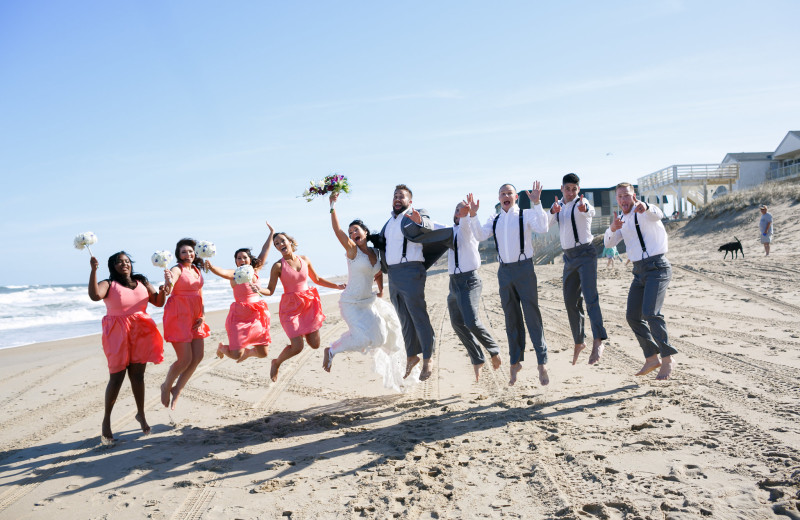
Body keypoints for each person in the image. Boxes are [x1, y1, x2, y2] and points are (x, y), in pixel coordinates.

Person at [322, 193, 408, 391]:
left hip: (368, 302)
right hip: (351, 303)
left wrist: (380, 291)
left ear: (365, 233)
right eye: (351, 232)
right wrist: (332, 205)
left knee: (380, 338)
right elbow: (337, 231)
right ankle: (332, 350)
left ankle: (397, 373)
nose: (353, 233)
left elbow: (377, 273)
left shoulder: (375, 253)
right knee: (362, 338)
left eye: (356, 230)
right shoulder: (353, 251)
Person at [470, 182, 550, 386]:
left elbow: (543, 227)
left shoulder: (526, 214)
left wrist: (537, 203)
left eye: (509, 193)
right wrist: (472, 215)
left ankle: (542, 362)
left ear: (516, 197)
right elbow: (479, 235)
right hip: (504, 271)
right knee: (511, 319)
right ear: (499, 198)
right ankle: (515, 362)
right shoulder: (494, 218)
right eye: (502, 193)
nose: (506, 196)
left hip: (524, 268)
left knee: (532, 316)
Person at [372, 184, 448, 382]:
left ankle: (428, 358)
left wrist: (420, 221)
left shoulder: (416, 213)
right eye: (395, 196)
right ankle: (412, 355)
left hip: (411, 270)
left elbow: (430, 226)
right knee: (404, 317)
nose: (398, 199)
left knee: (417, 314)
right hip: (394, 275)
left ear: (409, 201)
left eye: (402, 196)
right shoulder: (389, 222)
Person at [88, 252, 166, 443]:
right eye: (119, 262)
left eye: (127, 261)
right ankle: (106, 421)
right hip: (117, 332)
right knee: (116, 377)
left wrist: (164, 289)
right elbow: (94, 296)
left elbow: (158, 302)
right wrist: (93, 271)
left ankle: (141, 414)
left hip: (141, 330)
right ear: (113, 266)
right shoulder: (109, 284)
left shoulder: (141, 281)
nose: (124, 264)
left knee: (138, 376)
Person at [604, 183, 677, 380]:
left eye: (626, 196)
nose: (623, 200)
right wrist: (612, 228)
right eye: (620, 197)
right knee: (632, 316)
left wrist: (646, 206)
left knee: (651, 313)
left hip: (657, 267)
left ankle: (668, 360)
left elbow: (657, 214)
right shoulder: (621, 219)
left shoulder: (645, 210)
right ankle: (652, 358)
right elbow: (609, 243)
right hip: (638, 272)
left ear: (633, 196)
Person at [264, 231, 345, 382]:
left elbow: (318, 279)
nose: (280, 244)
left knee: (315, 344)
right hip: (290, 308)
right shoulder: (277, 266)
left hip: (308, 305)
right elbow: (270, 290)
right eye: (276, 244)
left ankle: (301, 332)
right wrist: (258, 290)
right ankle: (276, 363)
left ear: (289, 241)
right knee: (297, 347)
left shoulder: (305, 259)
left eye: (282, 241)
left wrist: (337, 286)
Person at [548, 173, 608, 366]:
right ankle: (579, 341)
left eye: (574, 189)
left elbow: (589, 212)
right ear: (562, 189)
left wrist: (584, 207)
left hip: (586, 254)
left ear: (578, 190)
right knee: (570, 301)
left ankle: (598, 340)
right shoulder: (559, 208)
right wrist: (552, 211)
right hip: (568, 258)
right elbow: (545, 225)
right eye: (568, 189)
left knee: (590, 298)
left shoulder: (583, 204)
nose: (571, 192)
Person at [447, 194, 502, 382]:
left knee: (470, 321)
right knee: (457, 323)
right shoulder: (450, 231)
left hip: (469, 281)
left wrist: (468, 215)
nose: (460, 212)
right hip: (453, 283)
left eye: (463, 209)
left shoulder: (469, 229)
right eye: (457, 210)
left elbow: (465, 223)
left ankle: (494, 350)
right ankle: (477, 359)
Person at [205, 221, 275, 363]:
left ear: (250, 260)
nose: (242, 260)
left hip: (257, 314)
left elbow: (264, 250)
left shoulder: (255, 270)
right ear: (236, 261)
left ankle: (249, 352)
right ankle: (223, 348)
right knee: (236, 354)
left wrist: (271, 234)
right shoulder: (234, 274)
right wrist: (212, 268)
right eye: (239, 258)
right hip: (240, 316)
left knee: (263, 353)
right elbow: (222, 272)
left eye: (244, 257)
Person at [160, 238, 211, 410]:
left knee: (198, 357)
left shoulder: (197, 269)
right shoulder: (176, 269)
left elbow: (200, 293)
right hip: (179, 315)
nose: (188, 254)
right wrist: (168, 282)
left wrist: (203, 315)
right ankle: (166, 386)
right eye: (184, 252)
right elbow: (169, 288)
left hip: (195, 315)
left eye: (190, 251)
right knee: (184, 359)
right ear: (178, 255)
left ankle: (177, 389)